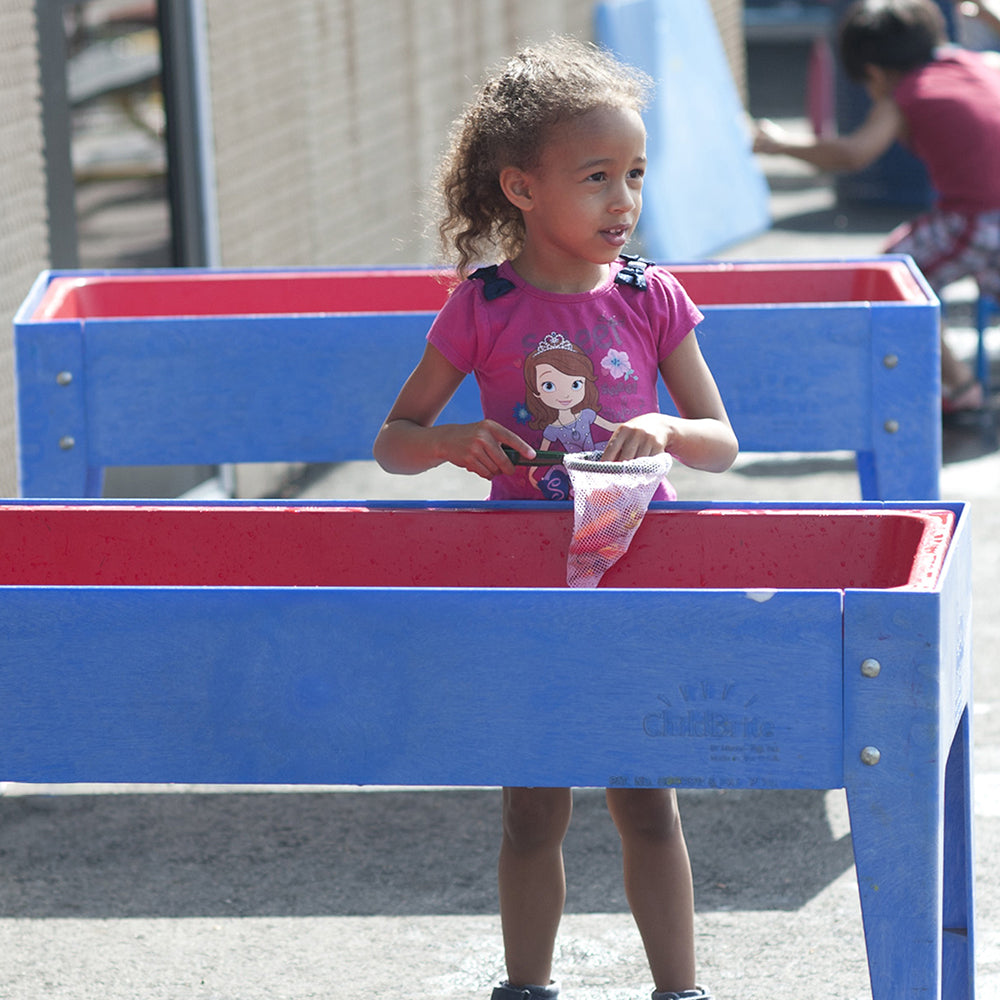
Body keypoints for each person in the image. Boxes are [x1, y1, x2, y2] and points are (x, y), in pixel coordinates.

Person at [373, 34, 737, 1000]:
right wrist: (452, 442)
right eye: (597, 177)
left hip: (628, 577)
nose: (624, 199)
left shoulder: (652, 297)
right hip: (522, 585)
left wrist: (663, 424)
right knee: (532, 814)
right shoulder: (482, 304)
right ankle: (526, 989)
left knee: (646, 803)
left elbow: (721, 440)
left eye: (635, 175)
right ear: (523, 189)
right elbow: (394, 439)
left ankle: (679, 991)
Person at [753, 0, 1000, 413]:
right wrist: (987, 13)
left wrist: (780, 144)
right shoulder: (979, 64)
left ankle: (959, 387)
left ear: (873, 72)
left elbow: (853, 154)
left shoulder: (905, 94)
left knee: (896, 275)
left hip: (977, 219)